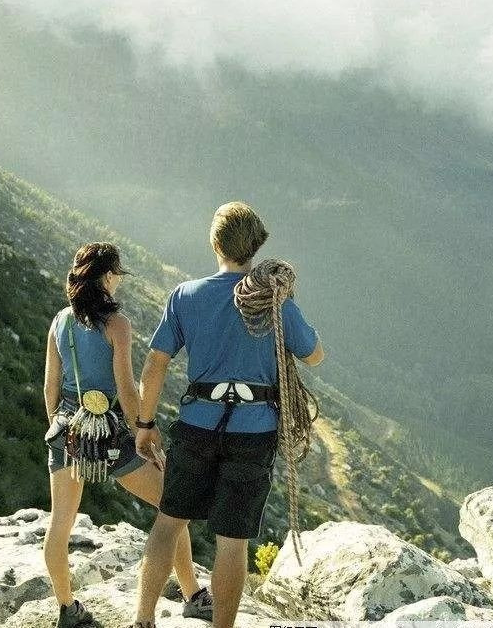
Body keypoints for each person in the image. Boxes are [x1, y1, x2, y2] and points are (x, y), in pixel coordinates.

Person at [125, 202, 324, 628]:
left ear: (214, 243)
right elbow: (313, 355)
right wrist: (289, 308)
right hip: (254, 431)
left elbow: (155, 363)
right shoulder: (273, 302)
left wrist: (144, 423)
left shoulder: (186, 295)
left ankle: (142, 619)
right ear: (257, 246)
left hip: (197, 425)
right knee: (232, 542)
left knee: (169, 522)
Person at [43, 242, 213, 628]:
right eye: (117, 273)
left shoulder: (60, 321)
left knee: (59, 524)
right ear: (107, 277)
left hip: (67, 430)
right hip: (113, 434)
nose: (119, 280)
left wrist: (60, 429)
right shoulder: (116, 324)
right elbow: (125, 387)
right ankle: (192, 595)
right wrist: (146, 434)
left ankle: (68, 608)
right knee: (173, 505)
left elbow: (50, 388)